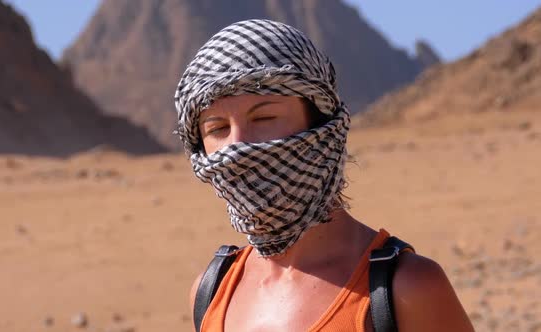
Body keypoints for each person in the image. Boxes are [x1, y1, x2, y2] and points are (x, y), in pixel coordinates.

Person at [174, 19, 474, 332]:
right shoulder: (211, 292)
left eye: (264, 117)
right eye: (217, 128)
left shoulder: (407, 289)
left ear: (322, 127)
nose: (237, 146)